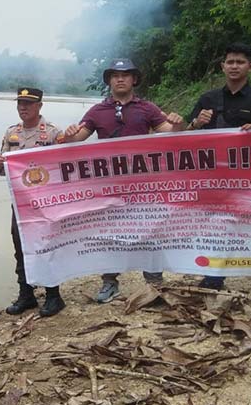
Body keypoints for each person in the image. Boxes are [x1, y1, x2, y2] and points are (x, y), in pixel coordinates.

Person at [63, 59, 186, 303]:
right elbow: (77, 139)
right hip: (109, 184)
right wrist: (68, 135)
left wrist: (178, 124)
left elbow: (171, 133)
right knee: (109, 232)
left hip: (143, 183)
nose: (120, 79)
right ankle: (110, 283)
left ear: (134, 79)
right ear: (109, 80)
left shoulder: (147, 108)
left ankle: (154, 284)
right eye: (115, 75)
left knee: (150, 229)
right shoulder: (97, 111)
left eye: (126, 75)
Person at [187, 43, 251, 290]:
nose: (234, 66)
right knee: (214, 225)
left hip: (247, 176)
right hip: (213, 175)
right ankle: (214, 276)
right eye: (230, 62)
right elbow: (186, 135)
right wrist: (197, 122)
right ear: (222, 66)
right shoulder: (208, 99)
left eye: (240, 62)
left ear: (250, 67)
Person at [0, 87, 67, 317]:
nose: (23, 108)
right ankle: (26, 295)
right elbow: (0, 170)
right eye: (20, 103)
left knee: (47, 247)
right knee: (21, 247)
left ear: (40, 106)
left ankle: (54, 296)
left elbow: (66, 167)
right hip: (20, 204)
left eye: (28, 103)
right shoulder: (11, 133)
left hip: (47, 204)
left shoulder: (54, 134)